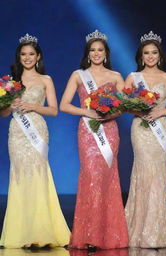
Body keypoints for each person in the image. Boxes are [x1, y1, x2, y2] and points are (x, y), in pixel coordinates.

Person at [60, 30, 128, 250]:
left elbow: (125, 106)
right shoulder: (78, 75)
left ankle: (107, 236)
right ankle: (88, 234)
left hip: (109, 131)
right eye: (93, 50)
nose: (96, 54)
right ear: (88, 54)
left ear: (106, 53)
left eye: (100, 50)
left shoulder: (116, 76)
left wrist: (110, 113)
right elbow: (64, 105)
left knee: (107, 179)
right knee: (90, 177)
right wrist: (87, 112)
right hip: (88, 132)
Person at [0, 33, 70, 248]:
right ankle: (20, 232)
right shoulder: (10, 81)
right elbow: (2, 113)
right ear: (19, 57)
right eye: (23, 54)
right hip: (17, 133)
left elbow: (54, 110)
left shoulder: (45, 79)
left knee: (38, 174)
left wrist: (32, 106)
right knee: (20, 175)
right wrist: (11, 105)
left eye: (31, 54)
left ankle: (42, 229)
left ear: (38, 56)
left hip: (37, 130)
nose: (27, 58)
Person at [124, 31, 166, 248]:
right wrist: (138, 108)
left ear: (159, 55)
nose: (150, 56)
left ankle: (160, 230)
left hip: (160, 127)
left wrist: (160, 112)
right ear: (141, 56)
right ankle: (140, 231)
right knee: (143, 171)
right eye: (146, 53)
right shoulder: (133, 77)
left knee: (159, 173)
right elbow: (122, 104)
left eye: (154, 52)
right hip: (140, 129)